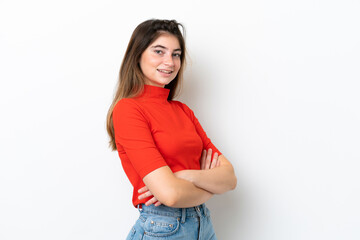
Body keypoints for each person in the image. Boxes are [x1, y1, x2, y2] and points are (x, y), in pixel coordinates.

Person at [106, 19, 237, 239]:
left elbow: (230, 179)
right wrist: (210, 186)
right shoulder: (128, 110)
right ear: (137, 55)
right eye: (159, 51)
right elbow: (171, 195)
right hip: (164, 227)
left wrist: (183, 176)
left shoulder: (182, 110)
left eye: (176, 54)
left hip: (203, 225)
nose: (170, 61)